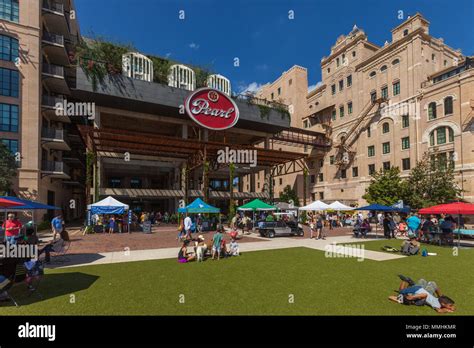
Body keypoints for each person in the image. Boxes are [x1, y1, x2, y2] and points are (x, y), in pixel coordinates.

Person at [389, 275, 455, 313]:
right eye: (450, 306)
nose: (451, 307)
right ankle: (405, 281)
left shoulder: (438, 300)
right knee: (401, 291)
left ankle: (411, 283)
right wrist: (446, 310)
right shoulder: (437, 305)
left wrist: (448, 305)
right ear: (443, 304)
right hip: (418, 293)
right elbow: (439, 311)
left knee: (423, 284)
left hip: (419, 289)